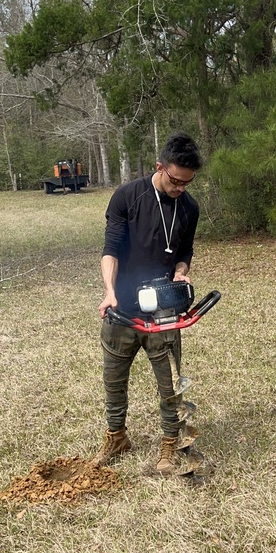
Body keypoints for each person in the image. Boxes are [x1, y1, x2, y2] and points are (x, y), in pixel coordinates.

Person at [93, 132, 202, 475]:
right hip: (122, 308)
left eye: (187, 182)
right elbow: (110, 249)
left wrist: (181, 272)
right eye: (175, 180)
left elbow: (185, 251)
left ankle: (170, 443)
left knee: (169, 384)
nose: (180, 188)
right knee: (114, 380)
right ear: (159, 167)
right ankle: (116, 437)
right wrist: (109, 292)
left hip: (163, 310)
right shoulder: (128, 196)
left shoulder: (189, 207)